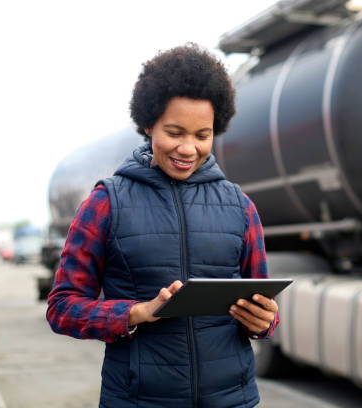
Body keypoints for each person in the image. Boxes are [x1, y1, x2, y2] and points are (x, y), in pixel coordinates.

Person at [47, 43, 279, 408]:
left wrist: (263, 321)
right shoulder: (107, 202)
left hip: (232, 400)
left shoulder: (240, 206)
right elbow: (62, 307)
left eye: (202, 135)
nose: (188, 148)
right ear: (147, 124)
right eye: (175, 132)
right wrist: (137, 313)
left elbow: (262, 311)